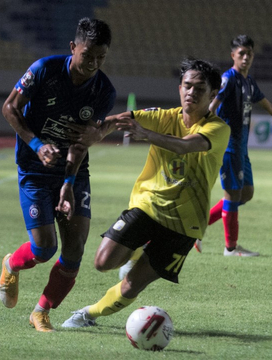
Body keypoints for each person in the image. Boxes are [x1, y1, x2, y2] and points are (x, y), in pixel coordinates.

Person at [61, 58, 231, 328]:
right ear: (179, 88)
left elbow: (186, 146)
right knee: (103, 262)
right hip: (148, 206)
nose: (192, 92)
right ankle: (139, 249)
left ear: (213, 95)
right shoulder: (163, 117)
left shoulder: (219, 128)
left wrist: (145, 134)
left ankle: (88, 314)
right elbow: (120, 120)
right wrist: (98, 131)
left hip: (186, 223)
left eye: (200, 89)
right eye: (187, 86)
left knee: (131, 286)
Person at [0, 17, 116, 332]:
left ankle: (41, 312)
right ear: (73, 47)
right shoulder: (44, 70)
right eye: (87, 55)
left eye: (100, 58)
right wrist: (36, 144)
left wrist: (68, 183)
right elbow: (9, 108)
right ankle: (12, 264)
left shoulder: (103, 91)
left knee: (75, 249)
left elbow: (81, 143)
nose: (93, 63)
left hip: (74, 171)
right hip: (34, 169)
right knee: (45, 248)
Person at [194, 34, 272, 257]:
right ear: (233, 56)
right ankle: (231, 248)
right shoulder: (228, 79)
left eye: (249, 54)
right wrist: (201, 134)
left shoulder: (249, 82)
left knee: (246, 194)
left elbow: (270, 107)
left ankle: (196, 230)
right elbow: (211, 106)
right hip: (227, 147)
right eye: (241, 54)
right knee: (232, 197)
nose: (246, 58)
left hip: (241, 148)